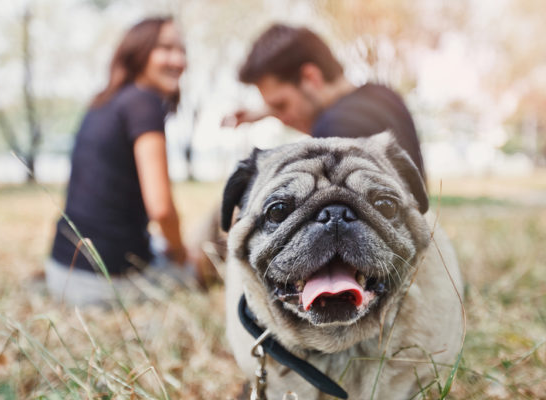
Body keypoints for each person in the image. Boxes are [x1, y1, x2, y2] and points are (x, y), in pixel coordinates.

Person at [46, 16, 200, 306]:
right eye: (166, 48)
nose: (178, 60)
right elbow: (162, 209)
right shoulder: (144, 103)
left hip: (61, 270)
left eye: (182, 50)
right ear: (138, 52)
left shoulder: (106, 101)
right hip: (104, 284)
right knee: (202, 262)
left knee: (161, 248)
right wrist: (181, 255)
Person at [225, 23, 427, 183]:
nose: (282, 120)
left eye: (281, 105)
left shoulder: (333, 126)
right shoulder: (384, 95)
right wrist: (265, 111)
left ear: (311, 77)